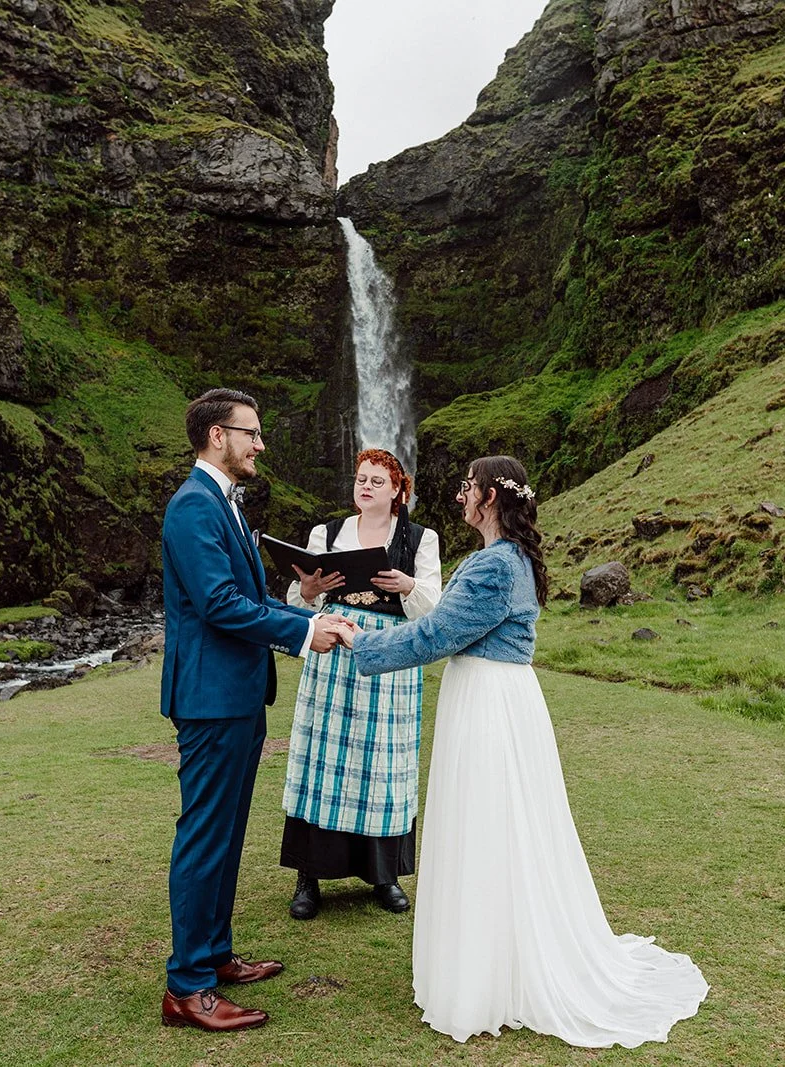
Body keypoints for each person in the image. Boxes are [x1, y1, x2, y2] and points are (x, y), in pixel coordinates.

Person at [343, 455, 709, 1048]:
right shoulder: (497, 559)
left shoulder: (493, 567)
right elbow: (447, 624)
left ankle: (494, 976)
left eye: (467, 487)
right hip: (489, 695)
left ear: (489, 497)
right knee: (492, 827)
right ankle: (492, 959)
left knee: (490, 826)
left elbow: (438, 635)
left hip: (490, 704)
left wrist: (360, 644)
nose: (460, 495)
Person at [157, 388, 356, 1033]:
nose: (261, 445)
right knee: (206, 836)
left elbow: (247, 596)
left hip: (237, 696)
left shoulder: (224, 503)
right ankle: (187, 987)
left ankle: (214, 957)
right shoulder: (193, 507)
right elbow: (218, 605)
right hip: (212, 700)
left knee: (227, 833)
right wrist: (302, 634)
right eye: (252, 433)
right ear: (218, 435)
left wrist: (306, 612)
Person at [280, 448, 442, 919]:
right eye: (360, 479)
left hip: (392, 653)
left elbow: (434, 606)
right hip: (332, 649)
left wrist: (407, 587)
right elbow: (300, 599)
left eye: (376, 480)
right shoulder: (324, 534)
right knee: (323, 757)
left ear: (397, 489)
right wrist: (308, 592)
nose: (365, 487)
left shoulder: (420, 538)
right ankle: (309, 876)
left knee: (384, 760)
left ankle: (384, 874)